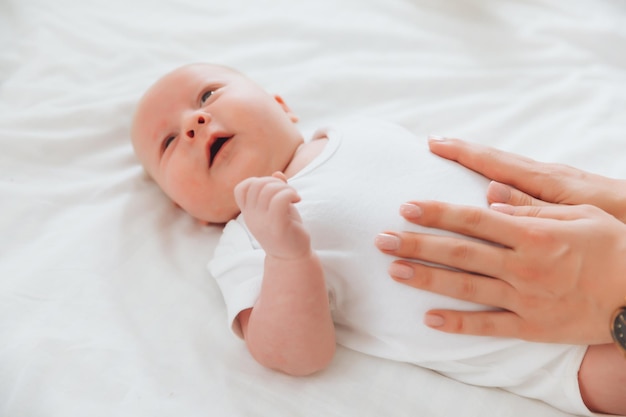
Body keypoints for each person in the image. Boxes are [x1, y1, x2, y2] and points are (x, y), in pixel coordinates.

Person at [130, 62, 626, 416]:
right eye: (169, 143)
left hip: (590, 243)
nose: (194, 123)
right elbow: (294, 355)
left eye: (208, 95)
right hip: (554, 353)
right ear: (185, 209)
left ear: (282, 106)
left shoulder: (358, 131)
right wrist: (287, 254)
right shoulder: (246, 244)